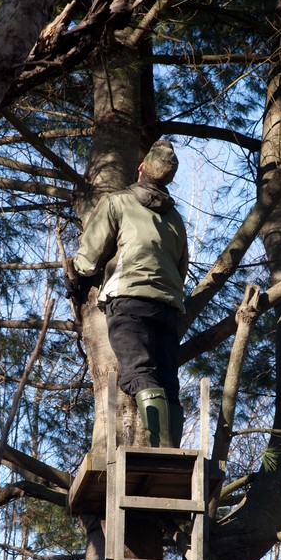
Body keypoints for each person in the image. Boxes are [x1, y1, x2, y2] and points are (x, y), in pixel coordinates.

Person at [65, 140, 188, 448]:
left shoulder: (118, 202)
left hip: (129, 300)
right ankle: (172, 448)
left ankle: (160, 451)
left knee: (139, 374)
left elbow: (89, 258)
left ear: (141, 168)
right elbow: (181, 268)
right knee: (169, 384)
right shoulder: (176, 219)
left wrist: (76, 272)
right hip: (169, 308)